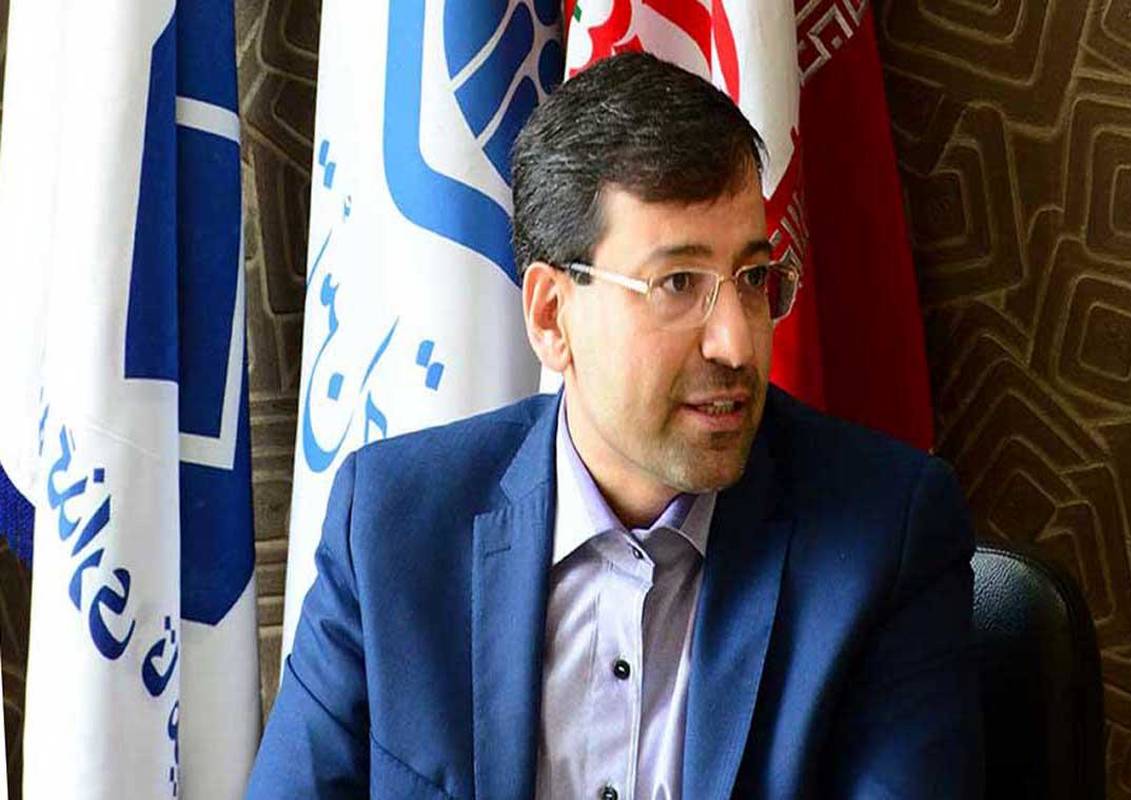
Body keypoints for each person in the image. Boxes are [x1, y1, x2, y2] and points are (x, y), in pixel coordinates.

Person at [247, 52, 982, 799]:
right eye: (678, 283)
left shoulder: (884, 538)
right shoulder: (392, 526)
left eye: (754, 279)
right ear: (551, 316)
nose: (735, 343)